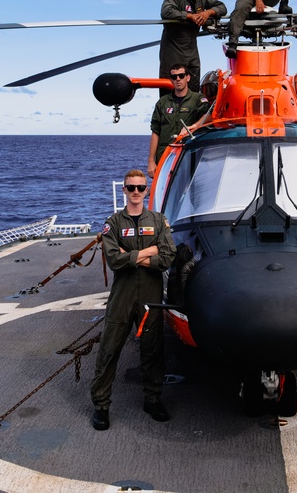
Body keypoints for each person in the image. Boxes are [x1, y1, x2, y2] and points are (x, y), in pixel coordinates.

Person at [90, 169, 177, 431]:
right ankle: (101, 406)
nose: (136, 192)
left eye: (140, 187)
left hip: (150, 294)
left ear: (147, 191)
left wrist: (133, 255)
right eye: (131, 188)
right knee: (109, 350)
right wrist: (148, 251)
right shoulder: (114, 222)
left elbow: (167, 257)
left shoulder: (159, 221)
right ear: (124, 190)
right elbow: (114, 261)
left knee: (152, 349)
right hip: (122, 296)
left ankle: (152, 399)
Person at [159, 0, 227, 94]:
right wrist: (190, 16)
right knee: (170, 91)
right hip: (173, 51)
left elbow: (222, 7)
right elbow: (166, 11)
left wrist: (207, 13)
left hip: (192, 51)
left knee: (194, 90)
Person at [147, 64, 211, 176]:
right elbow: (155, 131)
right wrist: (151, 161)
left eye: (181, 76)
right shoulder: (162, 103)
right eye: (174, 77)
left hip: (188, 154)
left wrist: (194, 126)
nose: (178, 79)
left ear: (188, 77)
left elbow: (208, 116)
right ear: (171, 80)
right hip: (165, 156)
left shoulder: (198, 99)